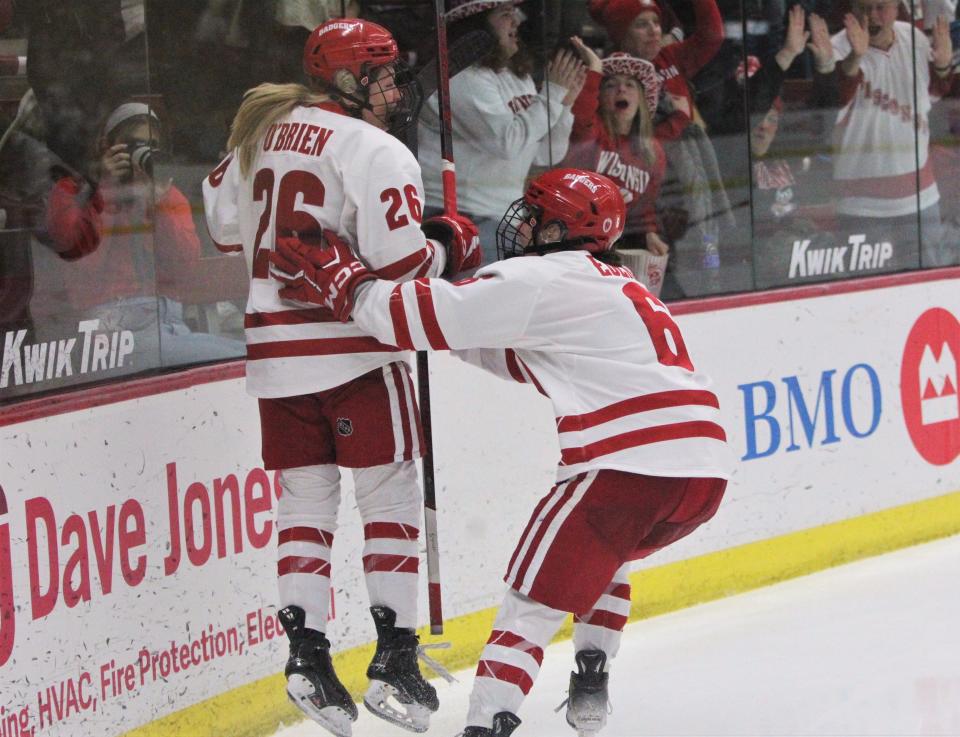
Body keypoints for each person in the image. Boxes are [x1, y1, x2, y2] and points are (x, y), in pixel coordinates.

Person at [268, 168, 735, 737]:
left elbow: (409, 316)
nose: (525, 224)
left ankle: (487, 726)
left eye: (536, 215)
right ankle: (591, 677)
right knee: (605, 552)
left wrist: (348, 283)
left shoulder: (540, 278)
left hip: (627, 462)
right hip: (705, 470)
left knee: (530, 599)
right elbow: (515, 357)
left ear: (556, 226)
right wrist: (446, 334)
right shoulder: (615, 284)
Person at [201, 18, 481, 737]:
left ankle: (307, 654)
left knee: (304, 504)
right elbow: (400, 270)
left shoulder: (257, 134)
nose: (393, 87)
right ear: (350, 79)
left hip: (275, 357)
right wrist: (450, 244)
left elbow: (226, 228)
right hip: (356, 352)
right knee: (389, 493)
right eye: (383, 73)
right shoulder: (375, 149)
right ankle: (394, 657)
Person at [417, 0, 584, 264]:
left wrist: (564, 106)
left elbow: (543, 155)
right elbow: (507, 143)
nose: (516, 20)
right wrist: (552, 99)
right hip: (460, 214)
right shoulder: (458, 78)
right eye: (505, 14)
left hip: (501, 215)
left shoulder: (517, 77)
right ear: (476, 25)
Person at [808, 4, 958, 269]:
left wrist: (944, 67)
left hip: (921, 198)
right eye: (865, 8)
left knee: (926, 289)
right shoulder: (835, 48)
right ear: (852, 8)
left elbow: (931, 96)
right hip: (861, 206)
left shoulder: (914, 38)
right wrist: (854, 59)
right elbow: (828, 115)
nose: (873, 15)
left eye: (880, 7)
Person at [564, 40, 669, 257]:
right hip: (578, 241)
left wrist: (650, 232)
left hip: (621, 242)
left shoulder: (653, 151)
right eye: (611, 85)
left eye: (630, 85)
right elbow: (582, 112)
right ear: (599, 97)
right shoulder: (591, 131)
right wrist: (594, 69)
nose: (622, 89)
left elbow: (646, 205)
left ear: (641, 99)